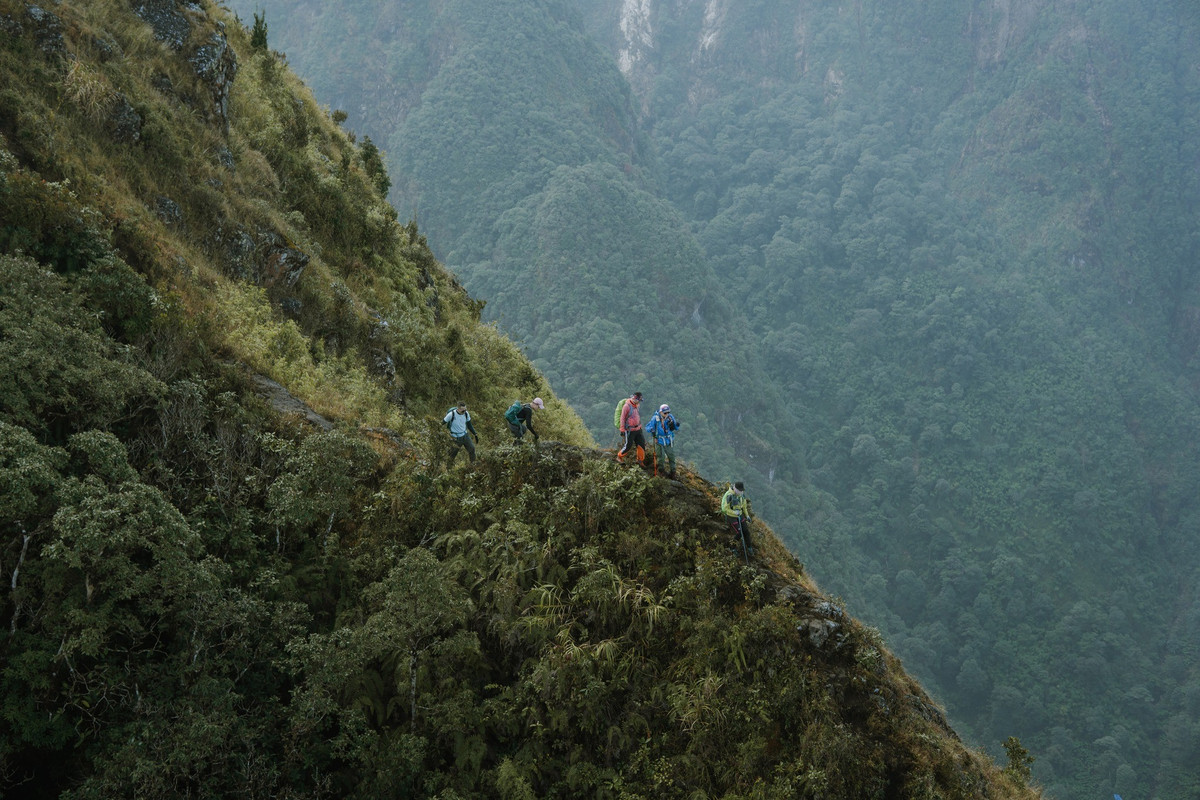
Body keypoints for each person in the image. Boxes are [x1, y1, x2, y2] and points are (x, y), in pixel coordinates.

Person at [645, 403, 681, 478]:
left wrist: (676, 425)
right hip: (659, 440)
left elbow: (675, 427)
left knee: (671, 457)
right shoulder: (655, 418)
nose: (667, 414)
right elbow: (648, 427)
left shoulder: (670, 417)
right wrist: (652, 430)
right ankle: (661, 471)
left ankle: (673, 472)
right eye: (665, 413)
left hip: (668, 440)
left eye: (668, 412)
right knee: (660, 457)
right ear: (661, 412)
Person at [721, 481, 753, 561]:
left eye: (742, 490)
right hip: (731, 516)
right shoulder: (729, 495)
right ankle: (732, 548)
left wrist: (747, 516)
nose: (741, 492)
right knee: (739, 533)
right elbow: (724, 509)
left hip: (740, 514)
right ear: (735, 488)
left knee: (746, 531)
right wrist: (734, 512)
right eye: (739, 490)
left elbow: (744, 506)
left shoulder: (741, 495)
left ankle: (749, 548)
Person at [617, 392, 646, 465]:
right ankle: (619, 456)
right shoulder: (626, 406)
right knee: (628, 446)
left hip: (638, 429)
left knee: (641, 444)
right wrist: (622, 429)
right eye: (638, 400)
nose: (639, 402)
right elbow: (622, 418)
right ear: (634, 398)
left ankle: (640, 460)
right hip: (630, 430)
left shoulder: (637, 405)